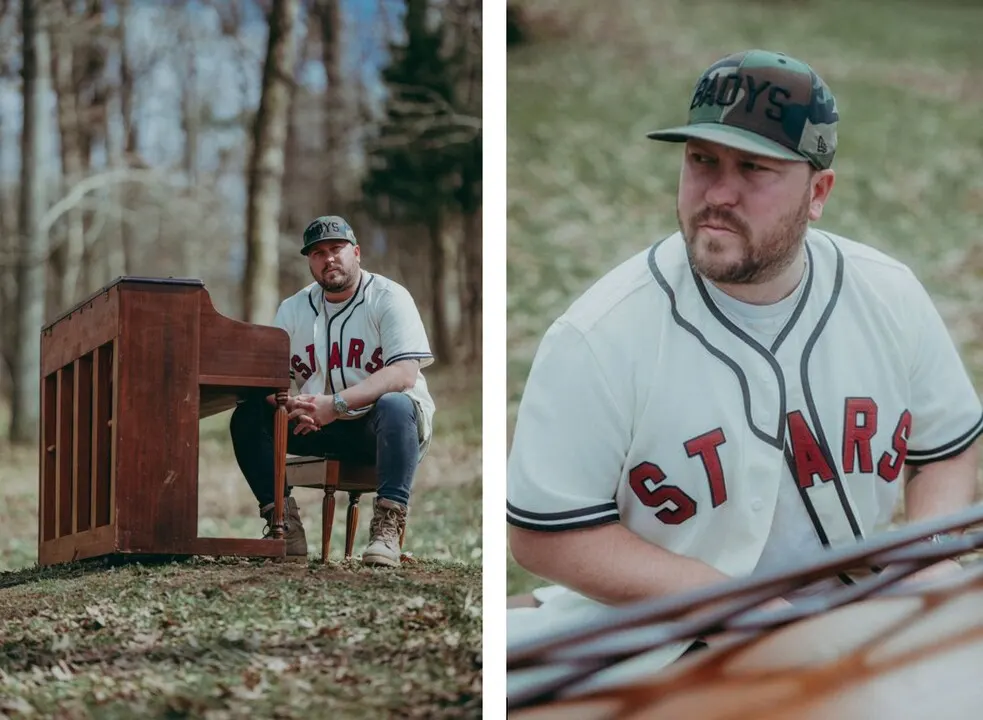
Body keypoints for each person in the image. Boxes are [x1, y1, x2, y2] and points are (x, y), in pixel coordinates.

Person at [505, 49, 983, 685]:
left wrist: (924, 554)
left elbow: (946, 448)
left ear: (818, 193)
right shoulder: (599, 335)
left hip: (868, 618)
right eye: (702, 160)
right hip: (660, 637)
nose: (717, 193)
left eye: (752, 168)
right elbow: (544, 533)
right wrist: (737, 605)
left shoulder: (888, 294)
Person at [230, 215, 436, 566]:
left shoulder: (388, 297)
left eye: (336, 249)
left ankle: (387, 529)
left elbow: (404, 373)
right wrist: (293, 403)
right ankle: (284, 526)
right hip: (319, 422)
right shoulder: (293, 308)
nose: (328, 259)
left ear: (355, 252)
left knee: (396, 404)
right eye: (317, 253)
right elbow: (269, 380)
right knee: (250, 413)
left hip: (384, 427)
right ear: (309, 261)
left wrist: (335, 405)